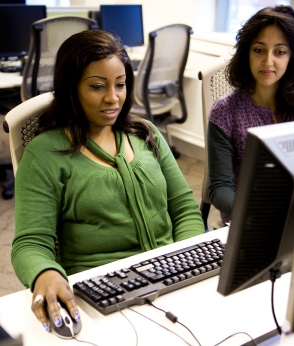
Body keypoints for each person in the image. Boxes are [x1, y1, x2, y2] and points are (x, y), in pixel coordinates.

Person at [11, 29, 205, 332]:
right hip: (100, 293)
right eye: (97, 86)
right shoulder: (45, 154)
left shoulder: (146, 134)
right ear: (71, 88)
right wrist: (44, 273)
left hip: (171, 279)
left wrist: (188, 261)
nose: (113, 98)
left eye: (120, 85)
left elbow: (183, 209)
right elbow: (31, 243)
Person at [207, 5, 294, 225]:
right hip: (250, 220)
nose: (268, 61)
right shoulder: (225, 112)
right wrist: (251, 213)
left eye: (279, 52)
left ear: (292, 56)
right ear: (247, 53)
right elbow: (220, 187)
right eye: (259, 50)